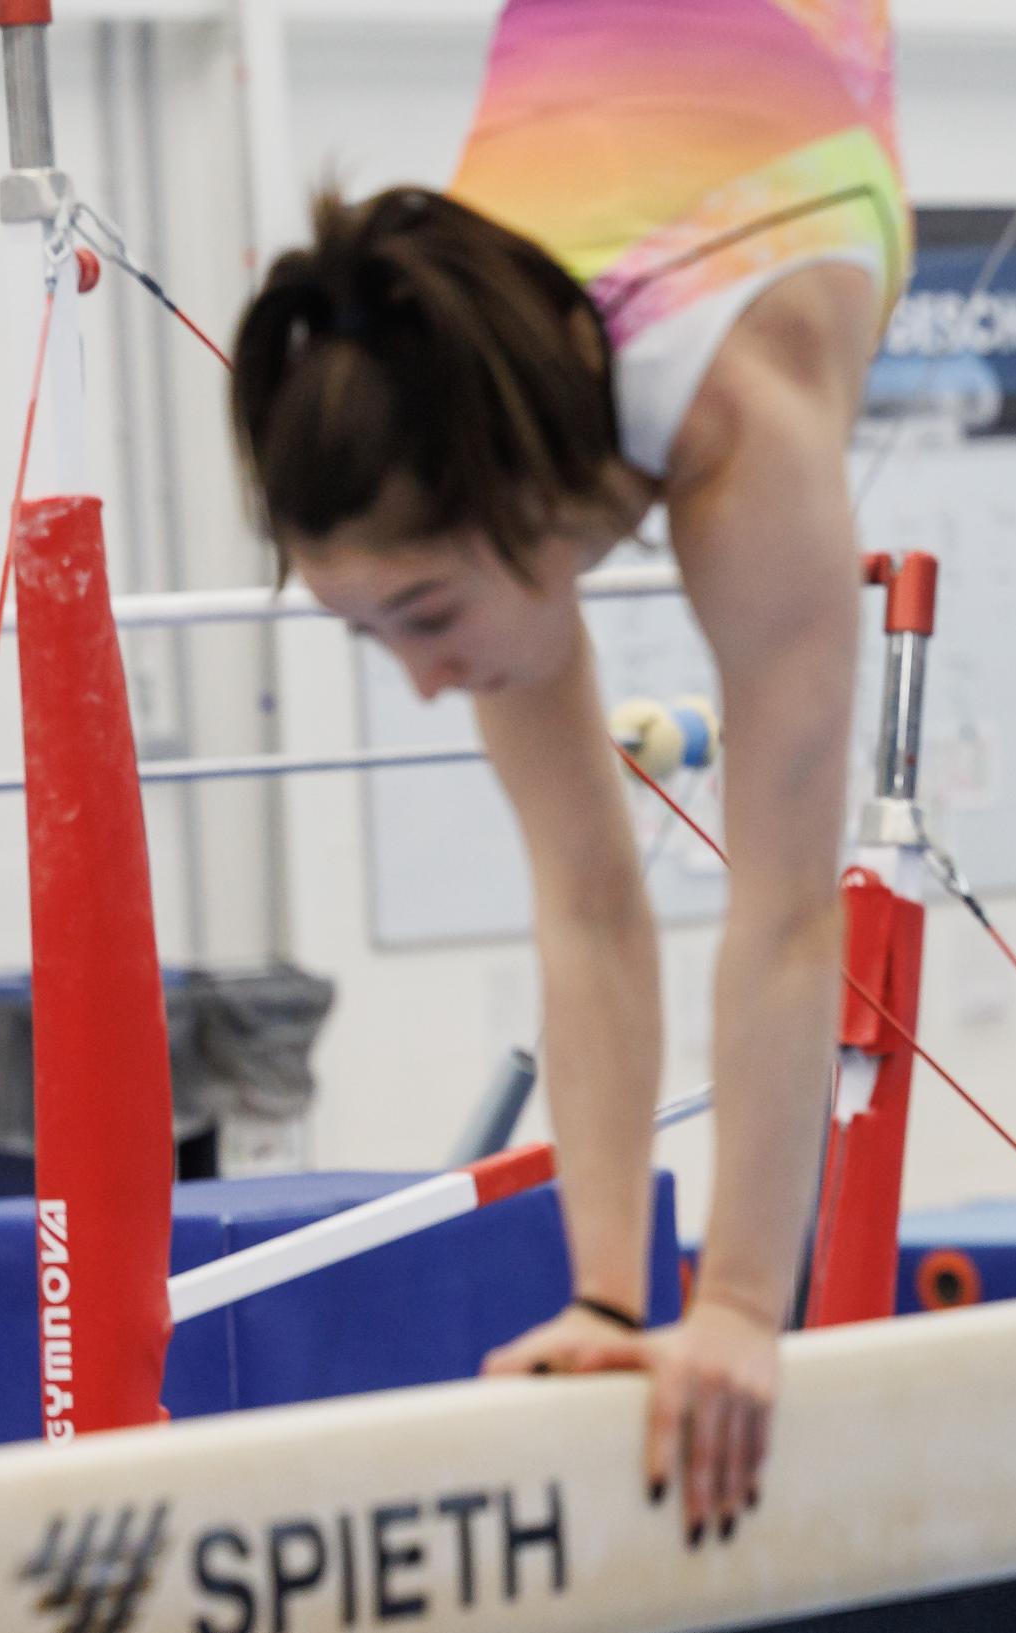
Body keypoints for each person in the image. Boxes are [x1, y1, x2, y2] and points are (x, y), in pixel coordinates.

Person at [226, 0, 910, 1547]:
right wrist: (610, 1295)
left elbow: (792, 914)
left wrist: (736, 1304)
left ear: (524, 508)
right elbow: (589, 904)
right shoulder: (470, 449)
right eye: (367, 629)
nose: (419, 675)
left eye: (424, 613)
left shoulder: (749, 436)